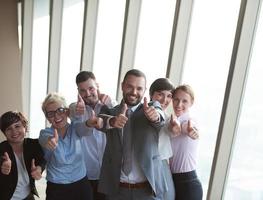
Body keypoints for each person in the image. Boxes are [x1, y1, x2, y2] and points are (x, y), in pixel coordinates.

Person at [87, 69, 168, 200]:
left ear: (144, 90)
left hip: (146, 190)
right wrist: (113, 121)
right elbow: (102, 119)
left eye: (139, 88)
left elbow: (159, 115)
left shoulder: (151, 108)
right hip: (117, 191)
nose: (134, 92)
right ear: (122, 86)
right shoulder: (111, 111)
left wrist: (155, 116)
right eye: (130, 86)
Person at [69, 71, 115, 200]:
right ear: (78, 91)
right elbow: (79, 131)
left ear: (97, 86)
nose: (88, 94)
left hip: (108, 173)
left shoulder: (111, 104)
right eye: (83, 91)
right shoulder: (76, 109)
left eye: (91, 88)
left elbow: (120, 126)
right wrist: (87, 123)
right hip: (86, 174)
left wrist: (110, 105)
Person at [38, 92, 93, 200]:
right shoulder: (45, 133)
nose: (56, 116)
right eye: (51, 113)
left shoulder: (76, 127)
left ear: (67, 111)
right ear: (47, 117)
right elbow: (44, 139)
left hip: (81, 184)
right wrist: (50, 140)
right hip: (57, 188)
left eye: (60, 110)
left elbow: (83, 128)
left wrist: (89, 123)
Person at [0, 111, 46, 200]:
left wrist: (40, 168)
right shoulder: (1, 148)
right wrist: (3, 168)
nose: (14, 131)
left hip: (28, 196)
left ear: (24, 126)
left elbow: (42, 159)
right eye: (9, 129)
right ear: (4, 132)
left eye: (17, 126)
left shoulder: (34, 144)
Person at [168, 84, 203, 200]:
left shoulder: (190, 121)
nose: (179, 105)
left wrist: (191, 131)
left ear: (191, 103)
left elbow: (187, 126)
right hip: (174, 181)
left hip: (188, 184)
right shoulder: (173, 121)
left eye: (185, 101)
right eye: (176, 100)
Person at [149, 78, 176, 200]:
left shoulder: (167, 117)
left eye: (169, 96)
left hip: (164, 162)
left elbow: (173, 127)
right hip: (151, 163)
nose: (165, 100)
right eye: (160, 94)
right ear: (151, 94)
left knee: (168, 196)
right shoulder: (146, 114)